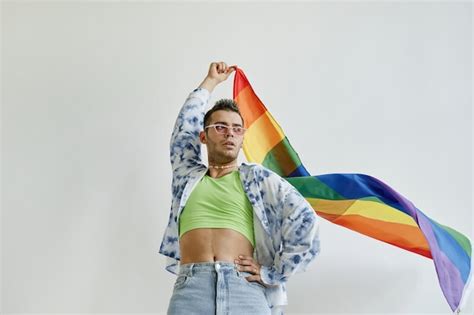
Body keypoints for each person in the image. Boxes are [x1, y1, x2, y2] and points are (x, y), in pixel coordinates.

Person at [159, 61, 321, 315]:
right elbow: (183, 130)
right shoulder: (187, 175)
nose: (229, 134)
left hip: (244, 289)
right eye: (220, 127)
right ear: (203, 136)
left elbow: (305, 219)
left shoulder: (257, 180)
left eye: (237, 129)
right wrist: (210, 82)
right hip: (191, 291)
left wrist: (273, 272)